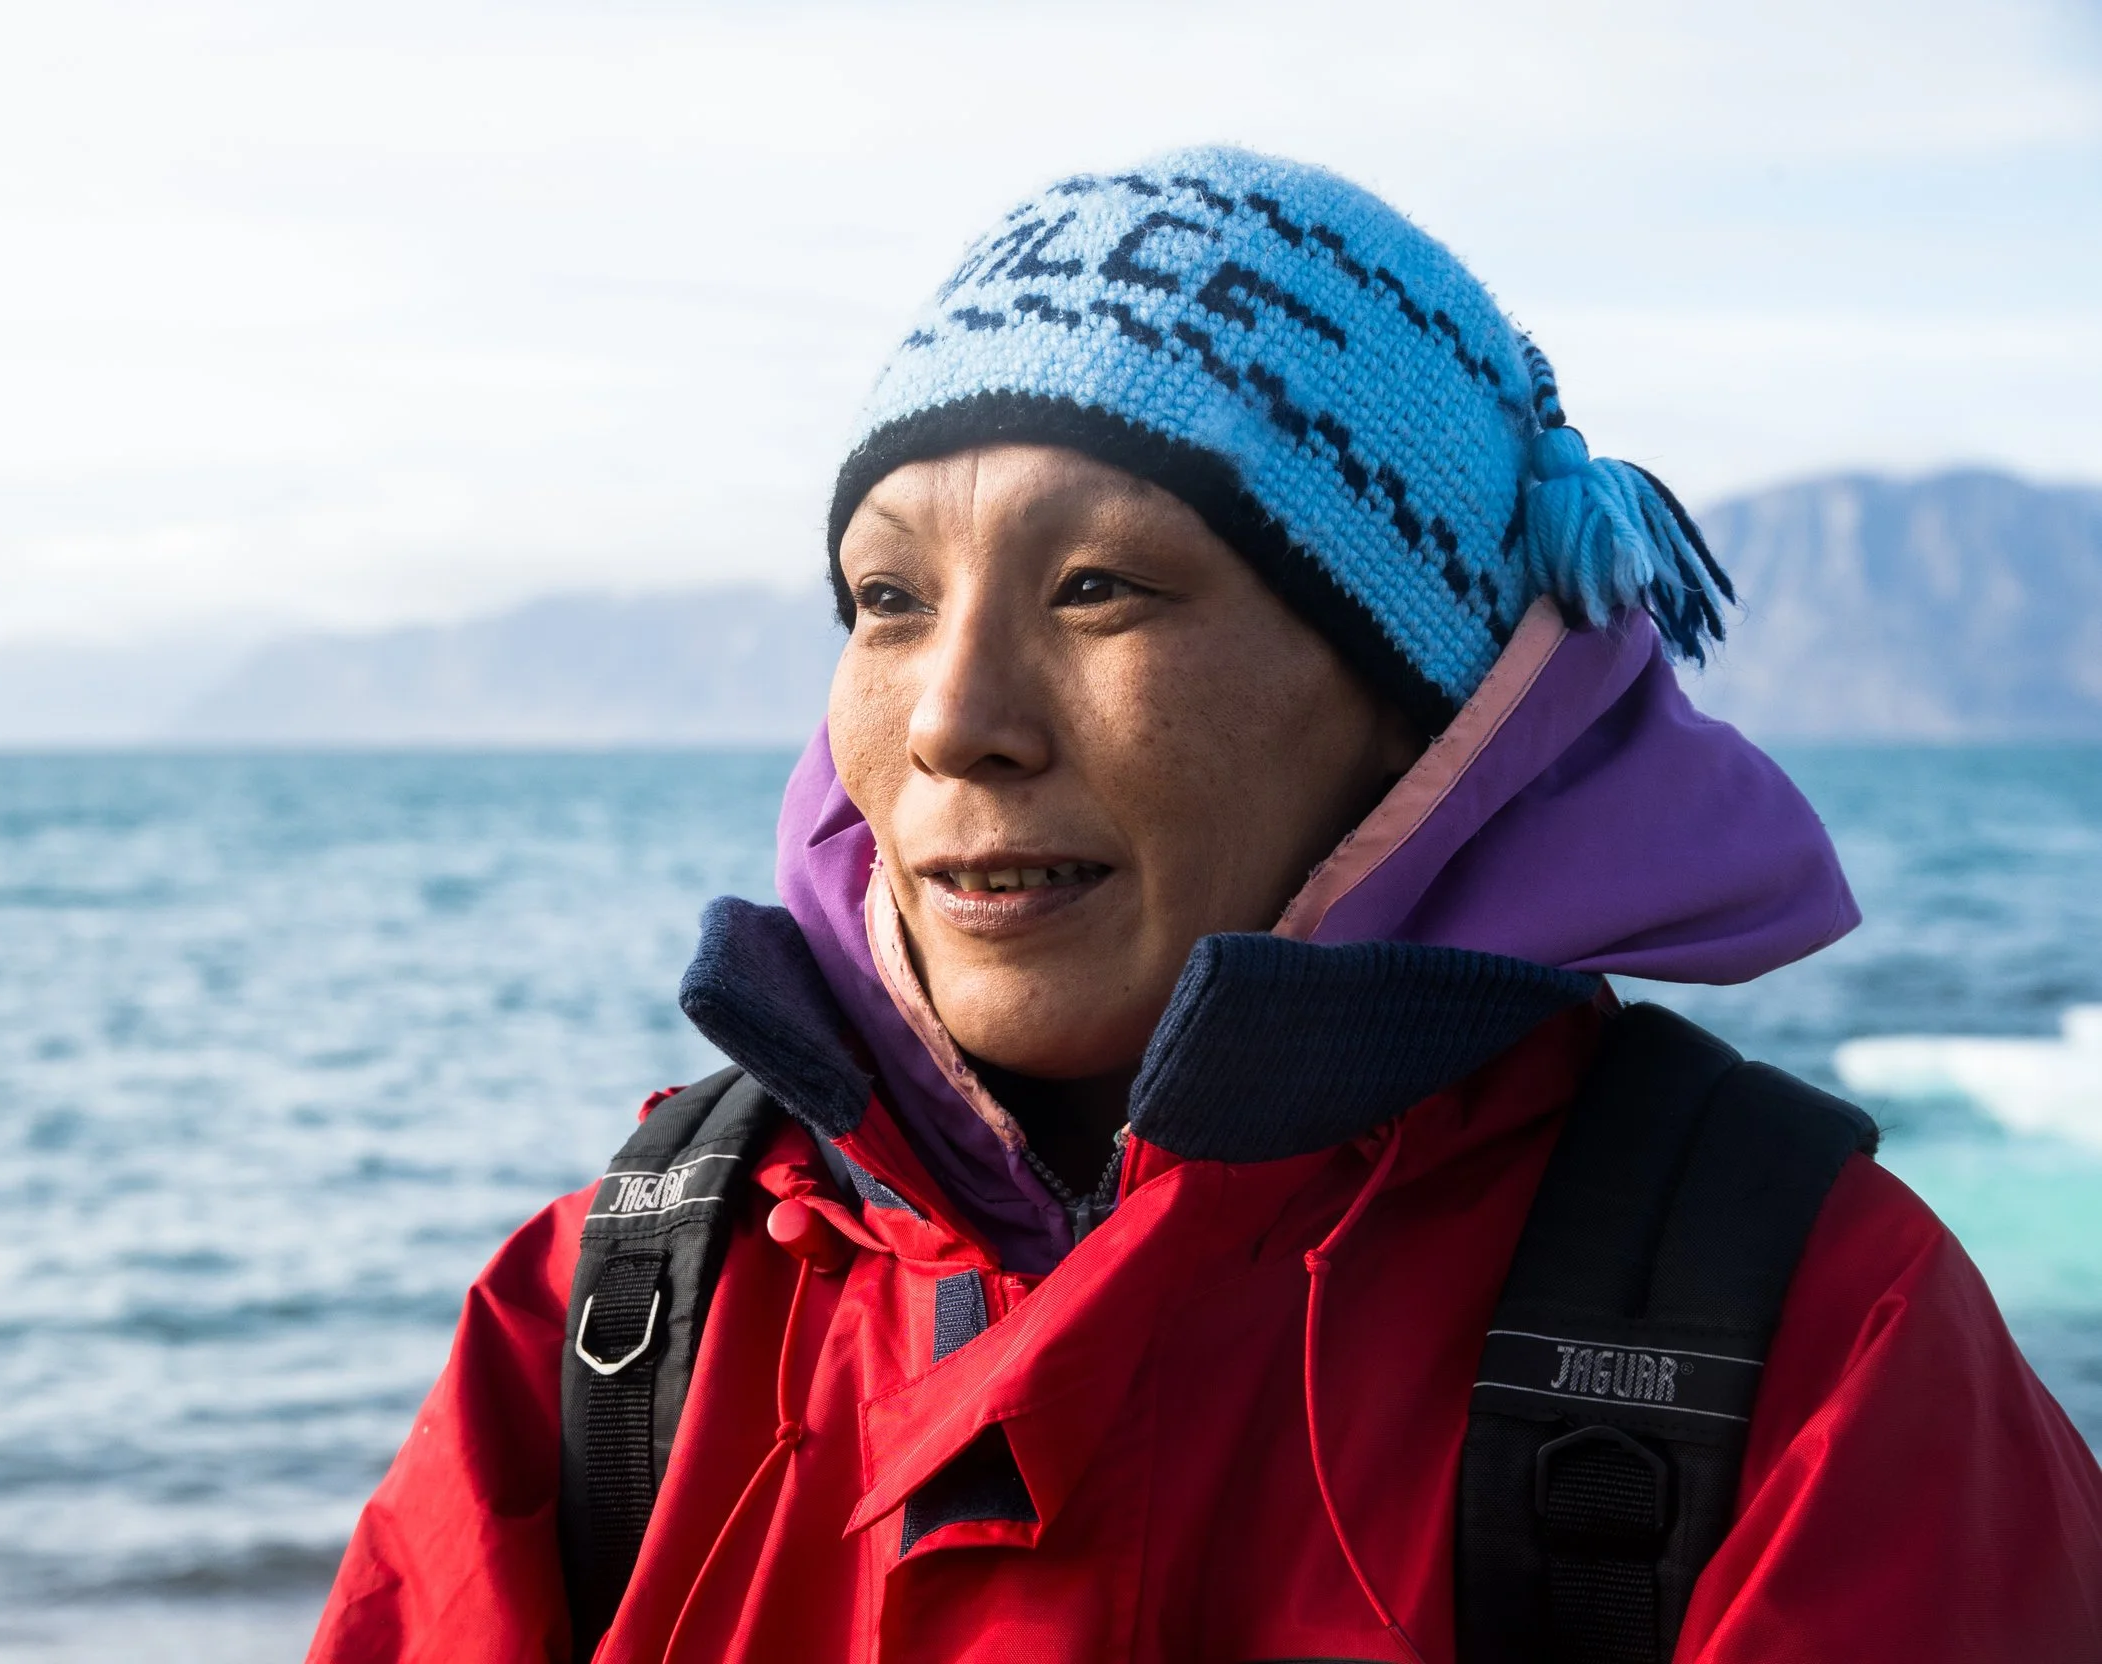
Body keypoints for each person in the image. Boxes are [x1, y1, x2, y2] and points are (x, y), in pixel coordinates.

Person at [304, 148, 2102, 1663]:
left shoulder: (1807, 1342)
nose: (951, 719)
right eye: (884, 597)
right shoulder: (621, 1310)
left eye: (1101, 588)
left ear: (1431, 714)